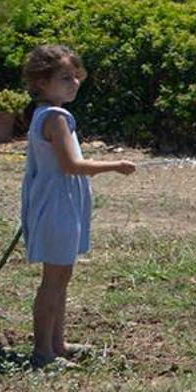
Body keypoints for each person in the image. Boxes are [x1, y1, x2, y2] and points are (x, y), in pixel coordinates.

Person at [19, 44, 134, 369]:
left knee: (61, 277)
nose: (74, 83)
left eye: (75, 76)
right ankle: (43, 352)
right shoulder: (55, 117)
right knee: (53, 281)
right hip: (57, 205)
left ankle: (58, 342)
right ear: (42, 82)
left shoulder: (47, 114)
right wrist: (116, 165)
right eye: (65, 78)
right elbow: (72, 165)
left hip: (57, 202)